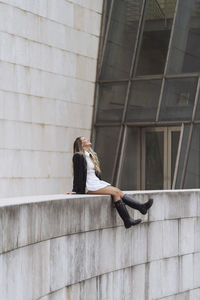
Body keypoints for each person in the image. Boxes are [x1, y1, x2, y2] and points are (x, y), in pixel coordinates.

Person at [71, 136, 153, 229]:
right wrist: (75, 191)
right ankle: (139, 209)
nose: (87, 139)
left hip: (96, 182)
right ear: (80, 144)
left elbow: (95, 173)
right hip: (90, 185)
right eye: (84, 139)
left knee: (117, 192)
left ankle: (129, 219)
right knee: (116, 192)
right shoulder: (78, 156)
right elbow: (78, 175)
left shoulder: (90, 155)